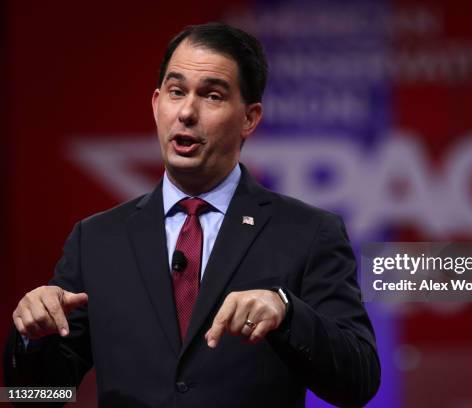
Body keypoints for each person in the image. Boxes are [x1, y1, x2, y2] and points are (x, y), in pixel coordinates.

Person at [4, 22, 380, 407]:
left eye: (212, 96)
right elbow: (35, 399)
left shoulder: (307, 233)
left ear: (249, 119)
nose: (186, 111)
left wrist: (287, 311)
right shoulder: (96, 240)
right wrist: (33, 337)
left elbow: (359, 383)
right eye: (176, 91)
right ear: (155, 104)